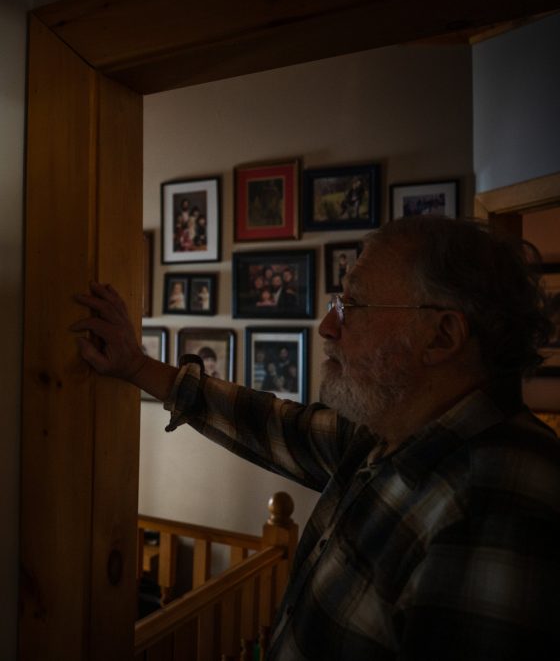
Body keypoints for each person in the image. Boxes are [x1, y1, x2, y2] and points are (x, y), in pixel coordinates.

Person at [72, 216, 559, 660]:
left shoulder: (499, 502)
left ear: (441, 336)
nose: (327, 326)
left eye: (354, 304)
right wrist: (136, 365)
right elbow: (273, 424)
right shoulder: (389, 434)